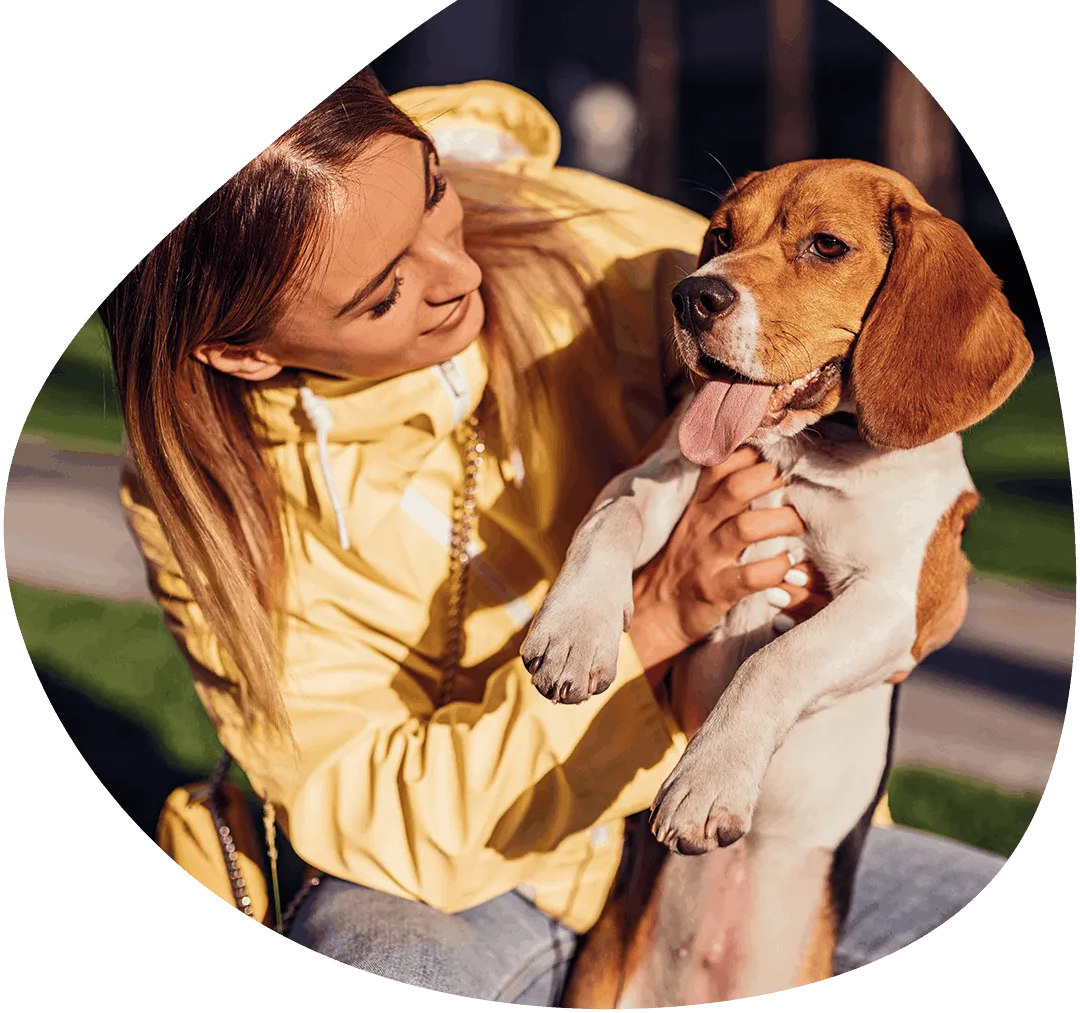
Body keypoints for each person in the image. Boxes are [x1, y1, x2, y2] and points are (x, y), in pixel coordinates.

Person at [106, 68, 1008, 1004]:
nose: (457, 275)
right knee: (386, 961)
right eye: (381, 296)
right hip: (488, 867)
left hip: (760, 825)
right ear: (246, 350)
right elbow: (370, 820)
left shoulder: (616, 246)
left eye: (434, 198)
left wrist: (924, 587)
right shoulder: (205, 502)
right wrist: (654, 618)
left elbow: (896, 356)